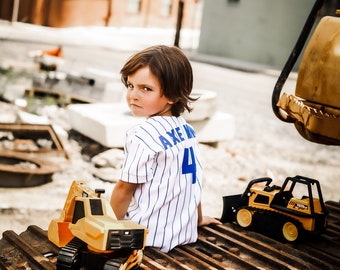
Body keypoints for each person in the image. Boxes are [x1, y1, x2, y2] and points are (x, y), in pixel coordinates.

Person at [110, 45, 221, 253]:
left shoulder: (143, 135)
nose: (133, 95)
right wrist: (197, 219)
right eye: (130, 85)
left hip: (146, 239)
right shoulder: (187, 131)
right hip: (183, 234)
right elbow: (192, 181)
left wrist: (107, 231)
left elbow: (124, 189)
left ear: (172, 95)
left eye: (146, 89)